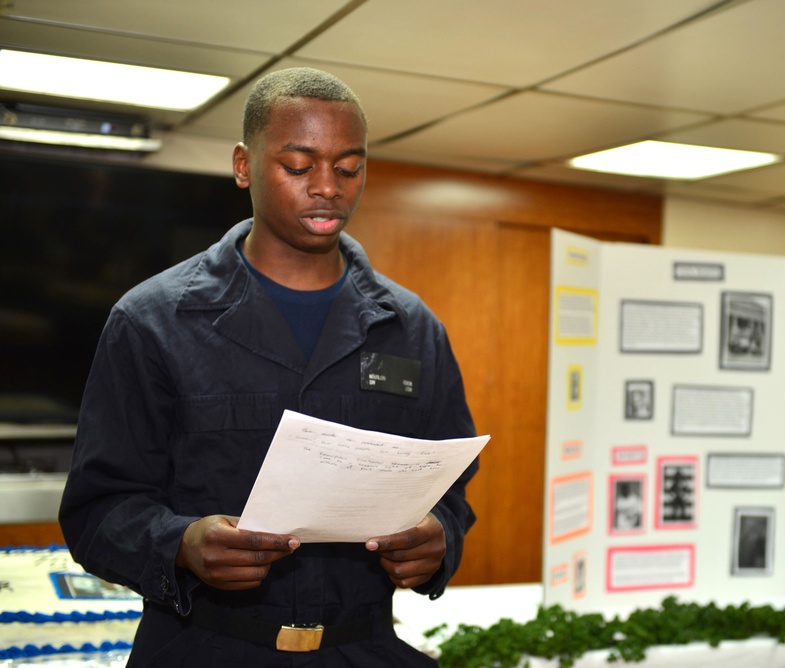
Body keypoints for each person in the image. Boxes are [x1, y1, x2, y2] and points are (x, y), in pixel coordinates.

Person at [58, 67, 479, 666]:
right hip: (203, 649)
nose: (328, 187)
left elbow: (453, 491)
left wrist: (441, 537)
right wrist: (182, 543)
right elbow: (96, 511)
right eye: (299, 166)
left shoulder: (413, 328)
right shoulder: (153, 322)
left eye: (349, 167)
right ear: (243, 165)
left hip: (364, 648)